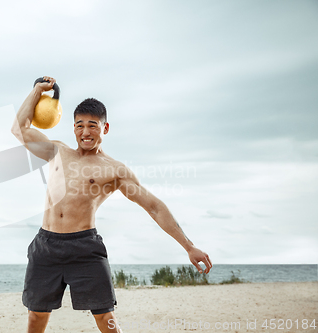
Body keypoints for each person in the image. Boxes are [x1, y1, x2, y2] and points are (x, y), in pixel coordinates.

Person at [11, 76, 212, 333]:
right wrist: (37, 91)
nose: (85, 132)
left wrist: (189, 246)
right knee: (36, 317)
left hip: (84, 247)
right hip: (46, 245)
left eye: (93, 126)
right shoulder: (56, 151)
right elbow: (20, 128)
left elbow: (154, 206)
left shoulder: (114, 170)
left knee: (105, 318)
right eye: (79, 125)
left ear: (105, 129)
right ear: (73, 128)